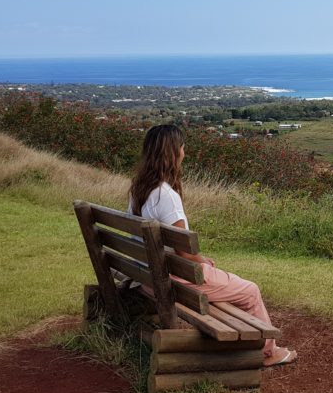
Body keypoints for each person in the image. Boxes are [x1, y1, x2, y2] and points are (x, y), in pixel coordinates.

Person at [127, 124, 297, 367]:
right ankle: (268, 353)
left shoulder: (139, 190)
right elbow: (184, 251)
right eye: (183, 147)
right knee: (250, 291)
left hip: (146, 278)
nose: (184, 152)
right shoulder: (166, 196)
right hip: (172, 282)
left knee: (224, 283)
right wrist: (203, 261)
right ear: (173, 152)